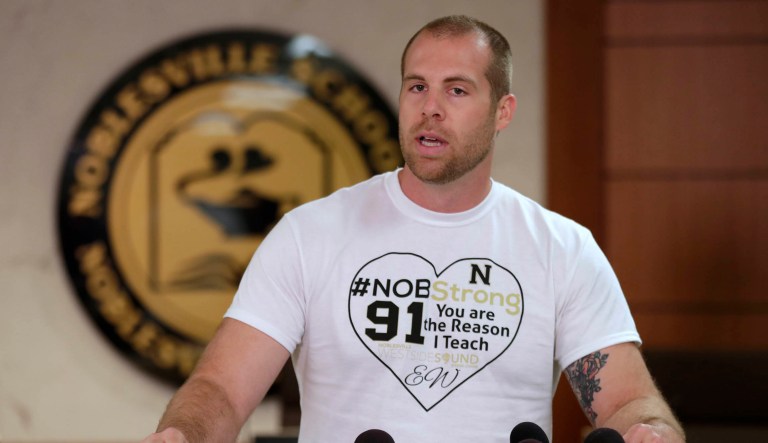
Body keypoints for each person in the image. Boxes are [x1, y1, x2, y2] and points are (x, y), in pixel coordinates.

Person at [142, 15, 685, 443]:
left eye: (456, 90)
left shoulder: (562, 248)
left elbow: (624, 401)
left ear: (503, 111)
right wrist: (183, 435)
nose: (429, 109)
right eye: (417, 87)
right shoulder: (310, 234)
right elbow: (222, 390)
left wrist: (652, 431)